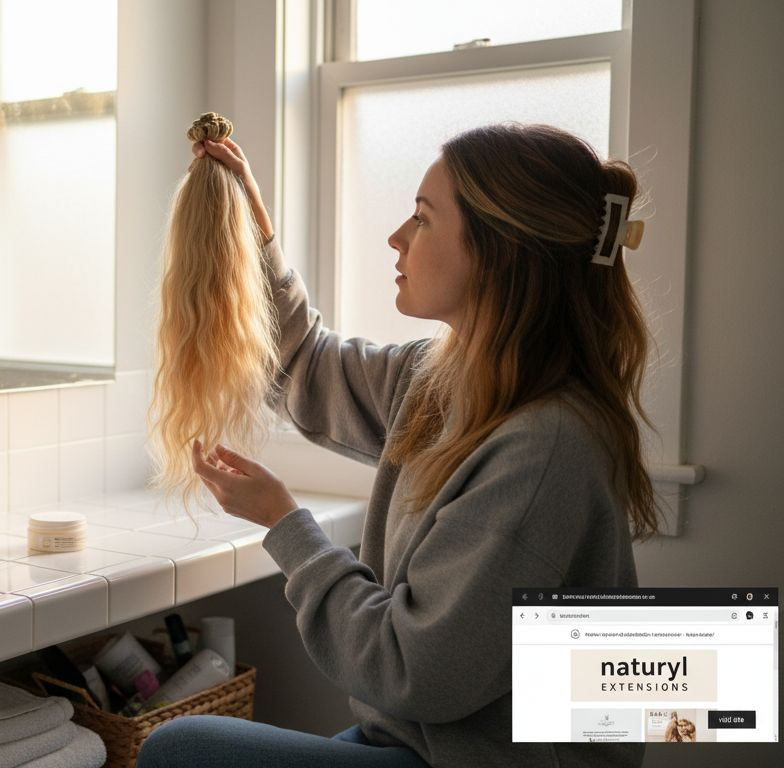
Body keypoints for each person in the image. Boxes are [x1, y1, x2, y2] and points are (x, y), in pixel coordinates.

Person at [137, 124, 655, 768]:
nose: (397, 238)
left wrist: (284, 523)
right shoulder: (445, 379)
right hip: (423, 741)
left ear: (499, 253)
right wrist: (252, 231)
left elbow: (410, 672)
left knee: (180, 749)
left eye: (422, 219)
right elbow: (306, 362)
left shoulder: (544, 448)